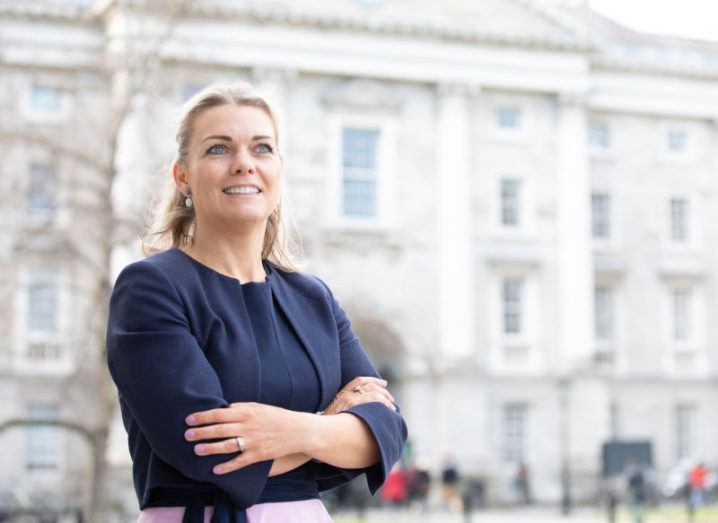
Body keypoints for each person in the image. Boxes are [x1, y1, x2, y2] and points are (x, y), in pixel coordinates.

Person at [105, 82, 408, 522]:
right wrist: (333, 424)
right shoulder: (151, 288)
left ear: (278, 169)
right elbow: (209, 452)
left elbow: (386, 430)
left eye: (261, 148)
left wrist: (298, 430)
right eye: (218, 150)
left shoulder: (313, 299)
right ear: (183, 175)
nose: (244, 164)